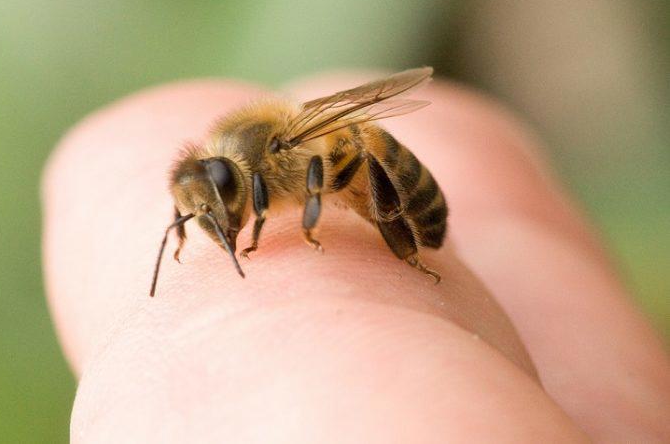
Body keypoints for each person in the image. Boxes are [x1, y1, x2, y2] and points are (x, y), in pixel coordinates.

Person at [42, 73, 670, 442]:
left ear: (244, 172)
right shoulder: (230, 170)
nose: (222, 219)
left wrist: (310, 226)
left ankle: (407, 247)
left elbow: (312, 168)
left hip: (379, 170)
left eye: (220, 207)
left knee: (355, 159)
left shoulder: (273, 155)